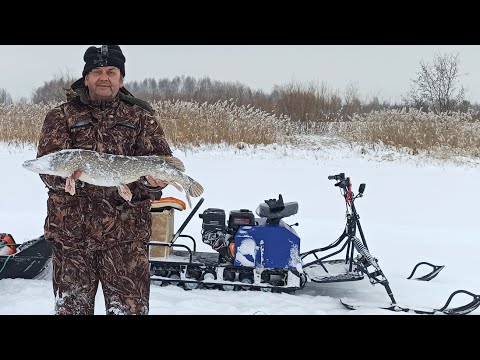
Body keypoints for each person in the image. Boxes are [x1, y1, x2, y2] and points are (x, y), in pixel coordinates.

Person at [36, 45, 173, 315]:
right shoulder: (60, 116)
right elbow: (47, 169)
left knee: (129, 311)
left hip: (126, 236)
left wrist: (154, 183)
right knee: (70, 311)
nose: (104, 77)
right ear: (86, 77)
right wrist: (66, 176)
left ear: (121, 78)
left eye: (111, 71)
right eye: (96, 71)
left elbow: (160, 163)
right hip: (72, 236)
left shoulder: (141, 117)